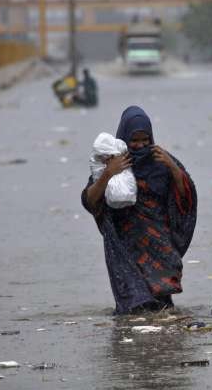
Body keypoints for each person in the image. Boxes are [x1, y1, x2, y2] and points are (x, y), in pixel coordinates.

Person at [82, 106, 197, 314]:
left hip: (160, 245)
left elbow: (186, 196)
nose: (141, 145)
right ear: (124, 138)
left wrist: (172, 167)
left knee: (162, 307)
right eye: (134, 141)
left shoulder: (163, 160)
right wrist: (109, 173)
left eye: (145, 140)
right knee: (134, 306)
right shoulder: (112, 160)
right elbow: (90, 200)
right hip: (125, 245)